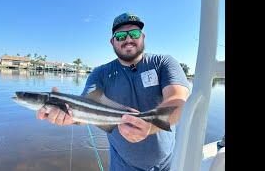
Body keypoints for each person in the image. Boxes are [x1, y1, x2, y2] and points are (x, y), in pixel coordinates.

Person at [37, 12, 190, 171]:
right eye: (121, 36)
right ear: (112, 41)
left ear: (143, 36)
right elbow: (85, 108)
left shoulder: (163, 63)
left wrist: (149, 126)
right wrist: (70, 117)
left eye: (134, 33)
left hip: (169, 164)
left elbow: (178, 100)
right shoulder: (100, 74)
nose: (128, 39)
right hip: (122, 166)